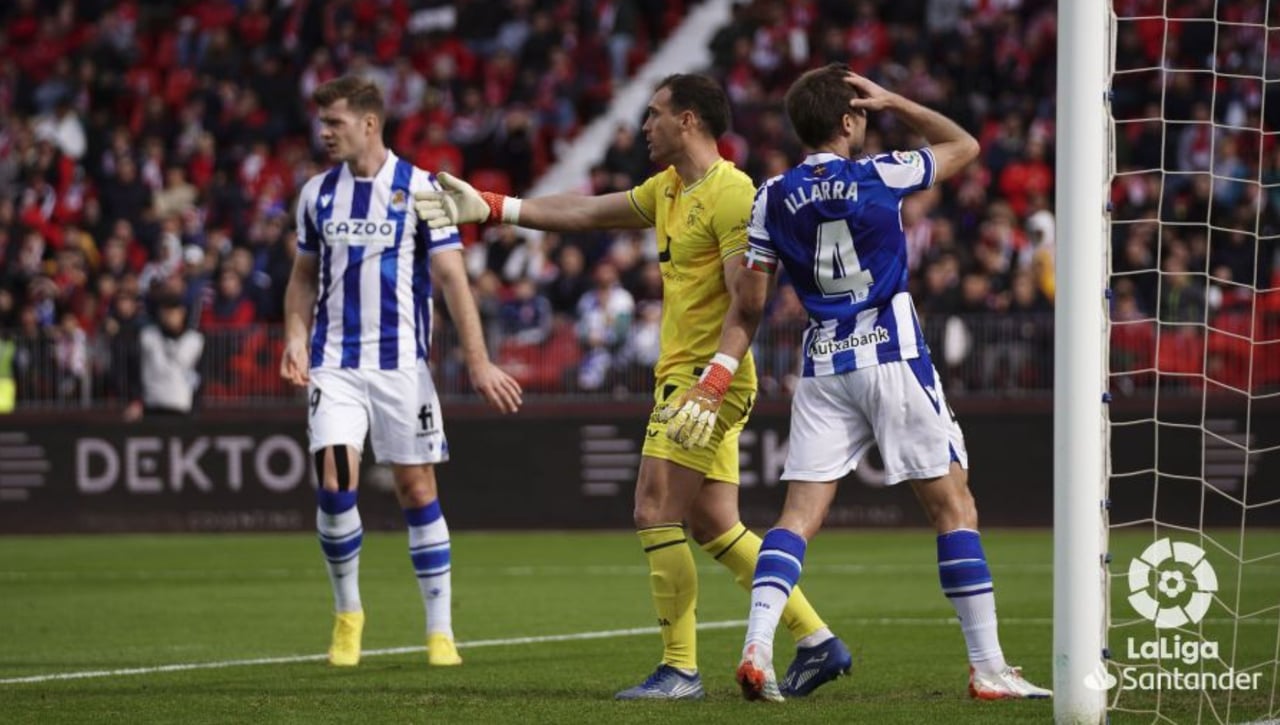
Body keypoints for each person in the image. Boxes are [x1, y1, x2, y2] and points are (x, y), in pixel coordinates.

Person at [414, 73, 851, 700]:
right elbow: (590, 212)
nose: (644, 126)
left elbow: (745, 303)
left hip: (707, 382)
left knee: (652, 508)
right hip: (689, 378)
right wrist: (494, 206)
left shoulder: (732, 194)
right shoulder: (671, 188)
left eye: (655, 114)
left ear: (690, 121)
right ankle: (817, 641)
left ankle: (680, 670)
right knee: (715, 526)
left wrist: (711, 383)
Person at [667, 63, 1052, 702]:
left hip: (823, 367)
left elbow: (749, 307)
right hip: (892, 355)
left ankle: (758, 648)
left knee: (795, 518)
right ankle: (988, 668)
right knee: (953, 506)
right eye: (862, 116)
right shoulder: (880, 172)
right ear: (849, 121)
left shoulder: (770, 196)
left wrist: (717, 374)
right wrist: (897, 98)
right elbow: (965, 146)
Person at [280, 76, 523, 670]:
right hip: (335, 365)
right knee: (335, 485)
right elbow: (303, 277)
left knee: (417, 490)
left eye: (334, 122)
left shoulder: (420, 189)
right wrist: (293, 337)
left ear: (368, 123)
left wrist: (478, 359)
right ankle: (347, 614)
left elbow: (451, 279)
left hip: (401, 369)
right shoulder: (316, 194)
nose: (324, 132)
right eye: (322, 122)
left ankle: (439, 630)